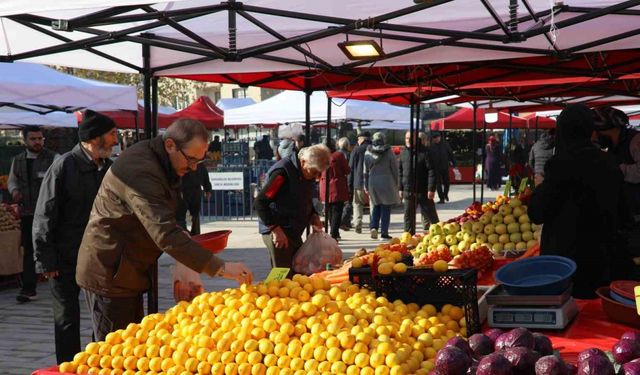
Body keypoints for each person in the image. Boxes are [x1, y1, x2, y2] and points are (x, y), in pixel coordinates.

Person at [75, 119, 253, 341]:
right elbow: (164, 232)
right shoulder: (140, 171)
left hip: (129, 269)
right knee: (114, 349)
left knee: (133, 345)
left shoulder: (164, 163)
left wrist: (185, 261)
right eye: (191, 160)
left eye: (200, 161)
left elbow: (171, 215)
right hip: (109, 272)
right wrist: (221, 267)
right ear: (170, 145)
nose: (194, 168)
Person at [32, 110, 118, 363]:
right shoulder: (63, 167)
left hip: (98, 257)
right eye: (112, 134)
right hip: (63, 258)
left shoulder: (109, 169)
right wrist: (46, 260)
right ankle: (68, 366)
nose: (116, 140)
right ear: (95, 138)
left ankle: (99, 364)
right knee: (66, 320)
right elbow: (44, 215)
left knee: (102, 318)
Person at [529, 104, 630, 299]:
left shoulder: (559, 165)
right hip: (602, 264)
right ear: (588, 129)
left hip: (564, 268)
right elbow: (624, 214)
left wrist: (541, 186)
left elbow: (537, 213)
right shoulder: (609, 162)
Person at [255, 144, 330, 272]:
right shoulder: (282, 173)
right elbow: (260, 202)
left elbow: (304, 199)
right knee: (282, 275)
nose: (316, 177)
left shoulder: (306, 172)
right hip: (279, 231)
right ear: (303, 162)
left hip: (293, 230)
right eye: (314, 172)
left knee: (298, 270)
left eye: (319, 173)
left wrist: (313, 215)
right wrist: (276, 230)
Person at [7, 126, 58, 303]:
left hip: (50, 214)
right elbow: (12, 181)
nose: (37, 142)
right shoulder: (18, 160)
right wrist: (14, 191)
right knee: (29, 250)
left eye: (40, 138)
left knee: (52, 246)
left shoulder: (53, 158)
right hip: (28, 213)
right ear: (25, 141)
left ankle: (58, 285)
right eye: (33, 139)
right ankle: (28, 288)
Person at [593, 106, 640, 276]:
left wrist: (616, 170)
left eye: (596, 131)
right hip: (625, 219)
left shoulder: (635, 141)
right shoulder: (612, 147)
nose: (595, 136)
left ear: (607, 128)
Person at [399, 131, 438, 234]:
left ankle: (439, 233)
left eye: (410, 138)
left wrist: (431, 188)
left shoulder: (425, 152)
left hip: (423, 189)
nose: (408, 140)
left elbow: (432, 171)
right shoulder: (403, 153)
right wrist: (400, 188)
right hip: (408, 190)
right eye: (406, 138)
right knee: (408, 216)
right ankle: (408, 236)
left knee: (430, 214)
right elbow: (400, 172)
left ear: (417, 139)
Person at [364, 132, 399, 240]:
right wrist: (397, 183)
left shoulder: (368, 152)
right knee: (386, 207)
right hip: (387, 181)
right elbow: (394, 168)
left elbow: (364, 170)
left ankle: (373, 227)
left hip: (372, 181)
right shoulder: (389, 152)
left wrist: (365, 185)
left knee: (376, 205)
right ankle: (384, 233)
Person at [319, 139, 351, 241]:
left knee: (329, 210)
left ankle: (334, 232)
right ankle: (333, 233)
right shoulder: (339, 155)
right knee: (337, 210)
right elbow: (347, 170)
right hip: (337, 185)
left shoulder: (320, 157)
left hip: (324, 185)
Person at [176, 163, 212, 235]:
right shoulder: (182, 160)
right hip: (182, 190)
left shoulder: (199, 163)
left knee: (195, 213)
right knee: (180, 213)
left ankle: (196, 233)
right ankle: (182, 233)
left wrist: (208, 189)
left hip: (196, 189)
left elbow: (205, 175)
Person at [348, 131, 371, 233]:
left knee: (357, 203)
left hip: (358, 182)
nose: (357, 141)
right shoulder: (373, 149)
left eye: (358, 139)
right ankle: (373, 225)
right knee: (373, 204)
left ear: (362, 138)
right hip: (372, 182)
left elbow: (351, 168)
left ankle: (358, 223)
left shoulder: (356, 150)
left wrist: (349, 183)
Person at [429, 131, 456, 204]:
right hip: (435, 168)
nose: (436, 139)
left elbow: (451, 154)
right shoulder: (431, 146)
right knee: (438, 184)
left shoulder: (445, 144)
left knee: (446, 182)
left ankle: (445, 194)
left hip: (444, 166)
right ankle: (441, 198)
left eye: (437, 137)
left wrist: (454, 163)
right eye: (434, 138)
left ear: (440, 137)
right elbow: (429, 157)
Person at [336, 137, 353, 231]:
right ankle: (344, 221)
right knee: (348, 202)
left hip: (339, 180)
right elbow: (349, 168)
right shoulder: (348, 154)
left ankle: (344, 221)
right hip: (346, 179)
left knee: (340, 203)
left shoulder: (336, 154)